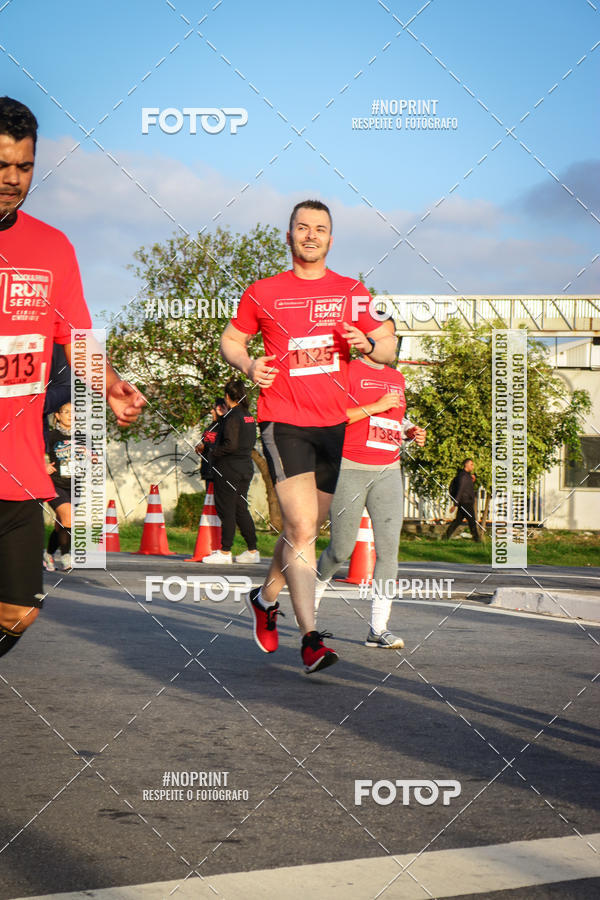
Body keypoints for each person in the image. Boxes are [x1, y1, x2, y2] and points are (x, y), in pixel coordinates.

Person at [220, 199, 396, 672]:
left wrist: (371, 344)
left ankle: (263, 598)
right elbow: (231, 339)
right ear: (290, 235)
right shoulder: (263, 292)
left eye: (320, 228)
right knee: (299, 530)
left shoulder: (354, 290)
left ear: (331, 239)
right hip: (284, 420)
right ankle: (312, 639)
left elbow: (389, 339)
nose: (311, 235)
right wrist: (248, 363)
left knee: (306, 530)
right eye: (303, 227)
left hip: (334, 425)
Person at [0, 96, 145, 659]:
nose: (13, 179)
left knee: (19, 612)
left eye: (25, 166)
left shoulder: (52, 248)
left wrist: (109, 386)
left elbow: (76, 339)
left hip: (17, 462)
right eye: (2, 164)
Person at [315, 355, 426, 647]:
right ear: (370, 341)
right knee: (340, 551)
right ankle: (309, 601)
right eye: (387, 335)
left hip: (388, 469)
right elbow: (334, 415)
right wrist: (376, 406)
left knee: (389, 551)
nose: (393, 341)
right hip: (350, 467)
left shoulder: (397, 377)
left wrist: (408, 430)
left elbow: (394, 418)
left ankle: (378, 628)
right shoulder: (346, 369)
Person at [201, 380, 260, 565]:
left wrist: (212, 452)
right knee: (241, 509)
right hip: (245, 467)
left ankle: (225, 552)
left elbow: (230, 445)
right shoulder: (248, 415)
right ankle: (252, 550)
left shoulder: (233, 416)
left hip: (229, 469)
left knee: (226, 509)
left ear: (228, 396)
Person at [44, 401, 79, 571]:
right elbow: (35, 453)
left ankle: (48, 554)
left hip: (74, 484)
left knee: (61, 524)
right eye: (66, 411)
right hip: (54, 484)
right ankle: (66, 556)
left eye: (74, 412)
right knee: (68, 519)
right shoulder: (50, 436)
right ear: (57, 416)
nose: (71, 415)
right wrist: (43, 464)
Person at [444, 458, 482, 542]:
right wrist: (455, 504)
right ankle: (477, 540)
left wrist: (472, 481)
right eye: (471, 464)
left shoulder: (466, 476)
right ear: (466, 465)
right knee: (472, 521)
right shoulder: (463, 476)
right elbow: (460, 490)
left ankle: (445, 537)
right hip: (465, 502)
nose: (473, 466)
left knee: (457, 521)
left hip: (465, 502)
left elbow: (467, 488)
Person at [195, 397, 226, 488]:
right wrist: (200, 448)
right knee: (210, 500)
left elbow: (224, 446)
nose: (211, 411)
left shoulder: (225, 426)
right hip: (208, 470)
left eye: (214, 408)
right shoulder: (210, 427)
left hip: (219, 472)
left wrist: (207, 448)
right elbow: (204, 443)